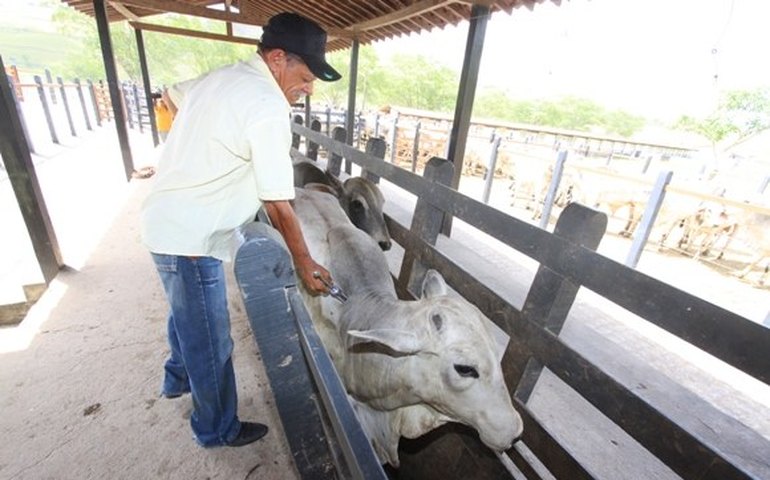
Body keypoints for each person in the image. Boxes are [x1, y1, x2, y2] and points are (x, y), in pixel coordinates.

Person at [140, 12, 341, 448]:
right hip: (192, 238)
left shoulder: (224, 77)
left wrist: (200, 150)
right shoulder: (268, 105)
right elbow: (278, 203)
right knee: (211, 341)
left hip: (164, 221)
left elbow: (173, 97)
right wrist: (304, 262)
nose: (307, 90)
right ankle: (216, 428)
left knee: (183, 310)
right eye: (305, 77)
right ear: (277, 58)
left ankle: (176, 379)